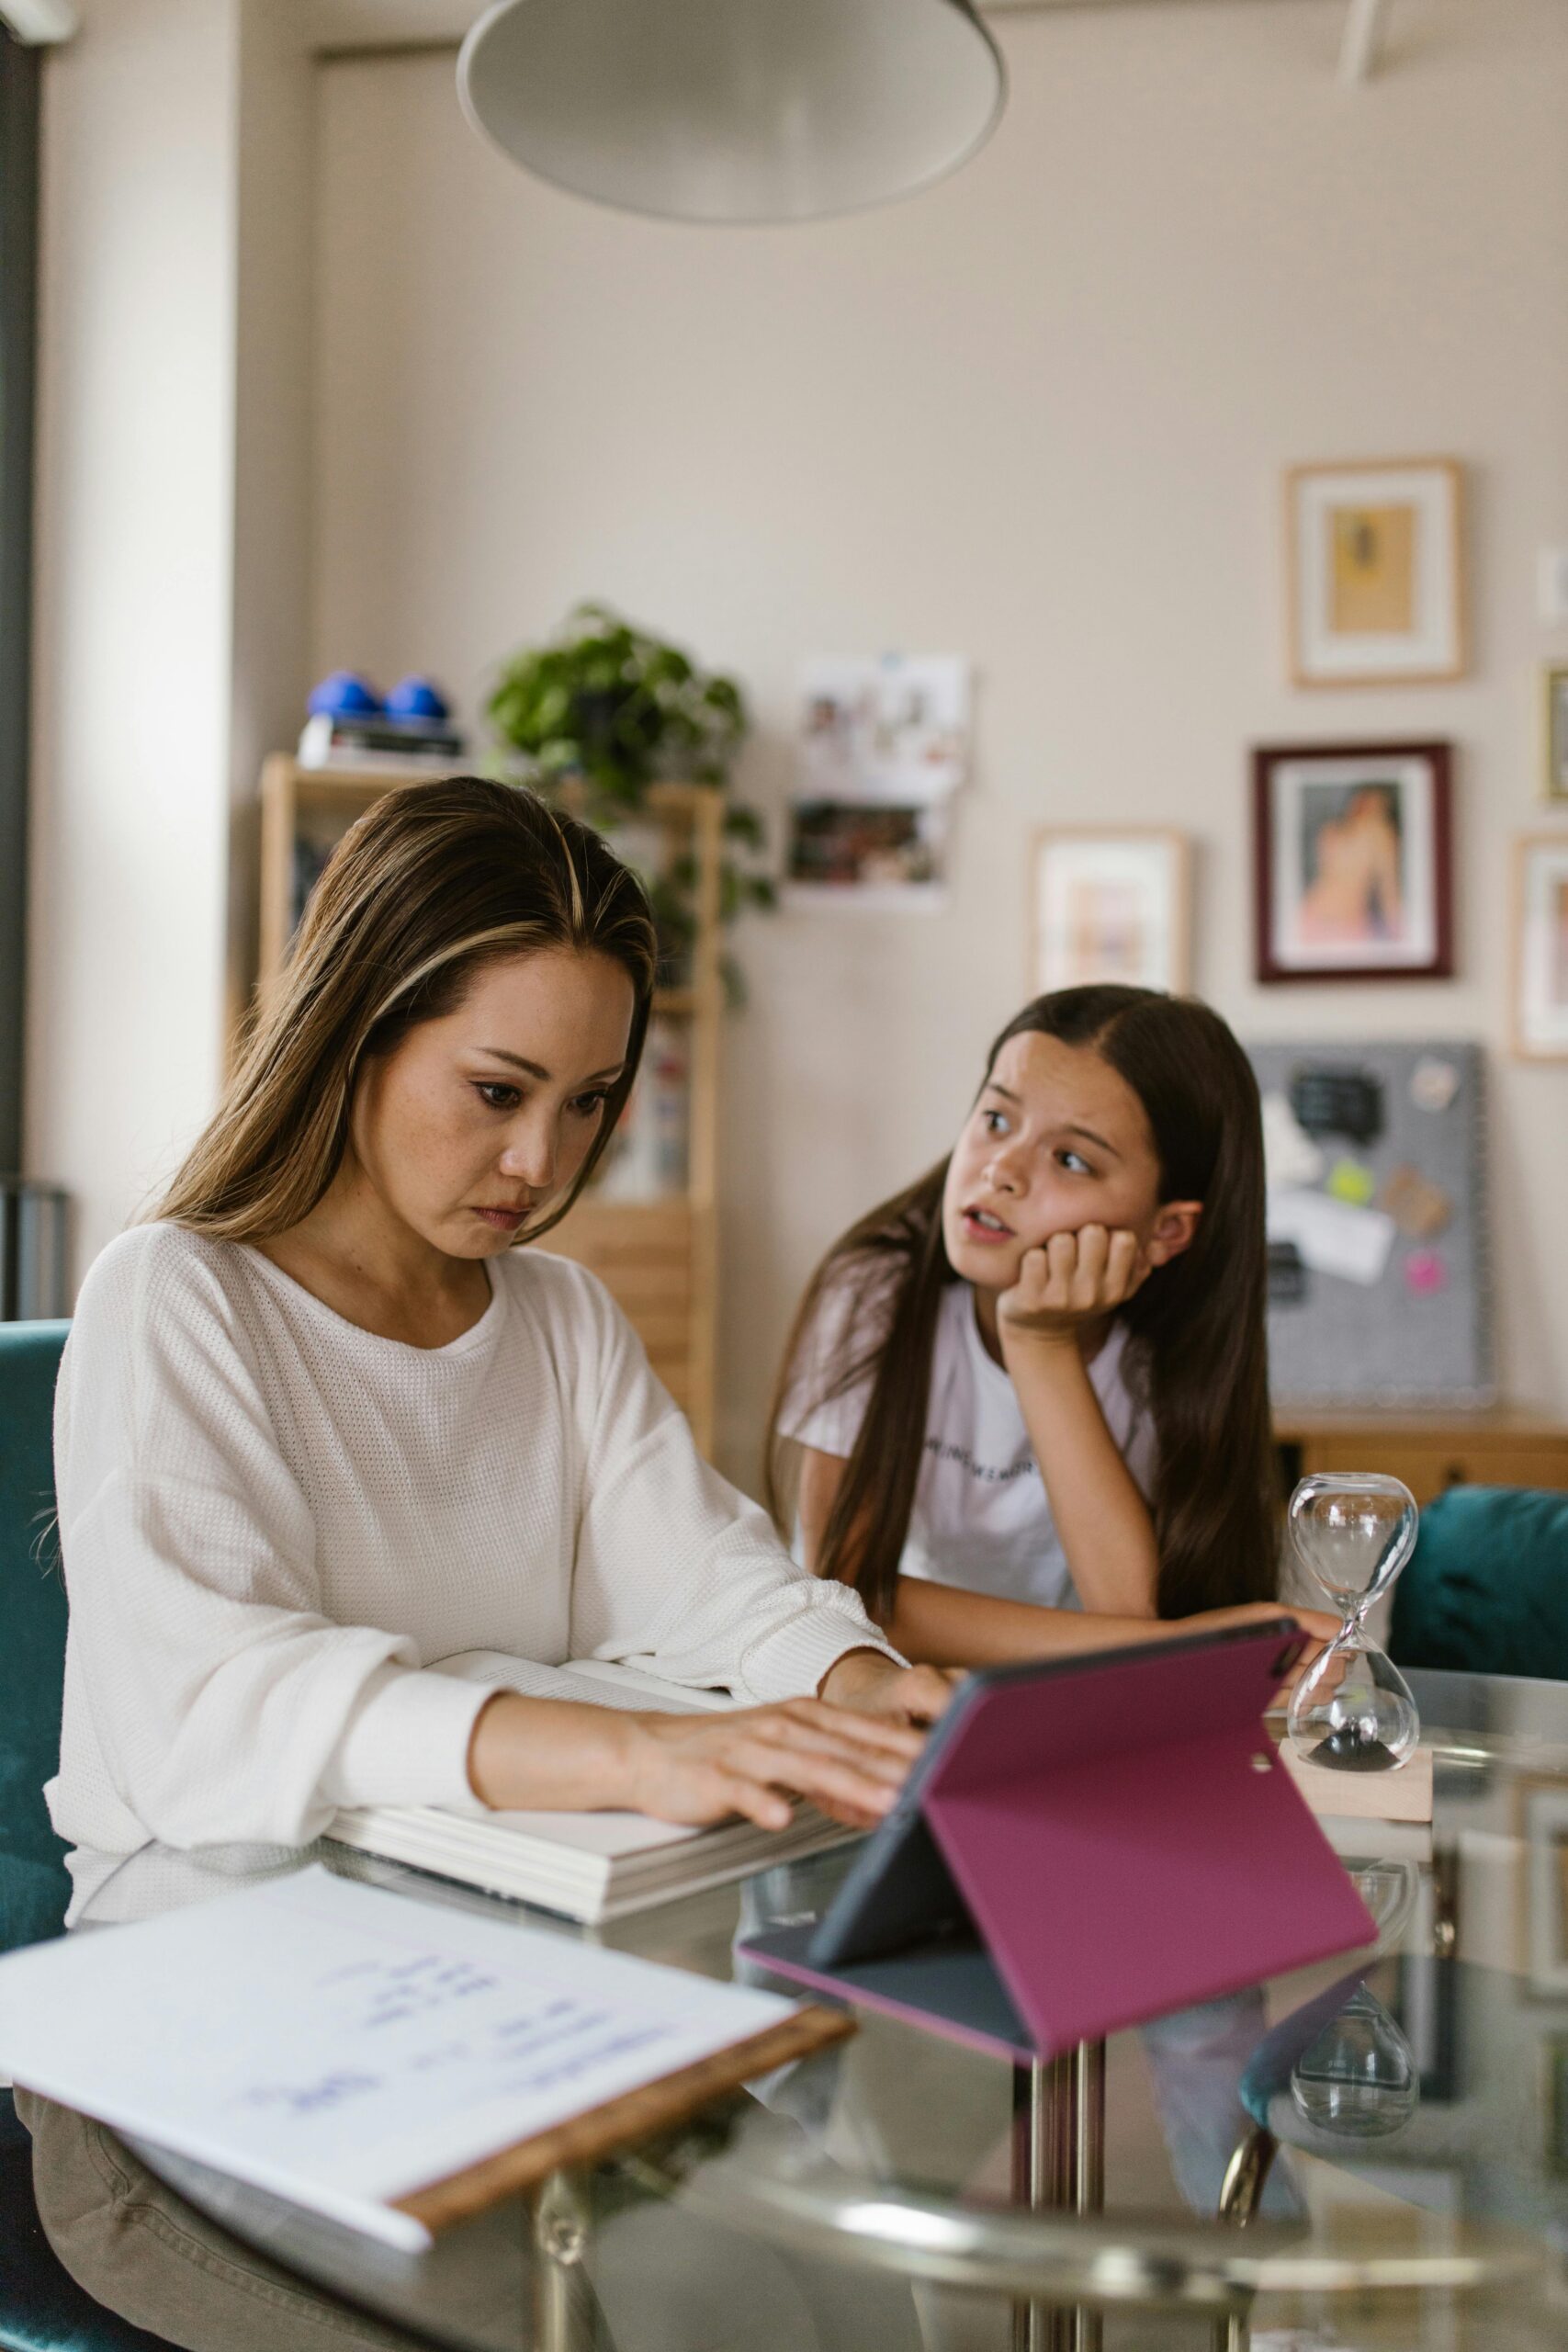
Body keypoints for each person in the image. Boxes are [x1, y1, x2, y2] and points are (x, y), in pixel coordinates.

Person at [46, 776, 951, 1925]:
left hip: (483, 1910)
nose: (542, 1160)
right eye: (496, 1091)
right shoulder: (177, 1292)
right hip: (204, 1947)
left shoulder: (562, 1317)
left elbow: (712, 1583)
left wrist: (863, 1686)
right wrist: (627, 1754)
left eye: (589, 1103)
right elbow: (218, 1704)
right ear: (355, 1034)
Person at [769, 984, 1336, 1667]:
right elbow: (846, 1588)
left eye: (1070, 1159)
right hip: (890, 1688)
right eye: (996, 1120)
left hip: (1076, 1710)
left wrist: (1039, 1342)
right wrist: (1180, 1649)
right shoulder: (874, 1289)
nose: (999, 1170)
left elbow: (1132, 1616)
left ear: (1166, 1231)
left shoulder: (1164, 1360)